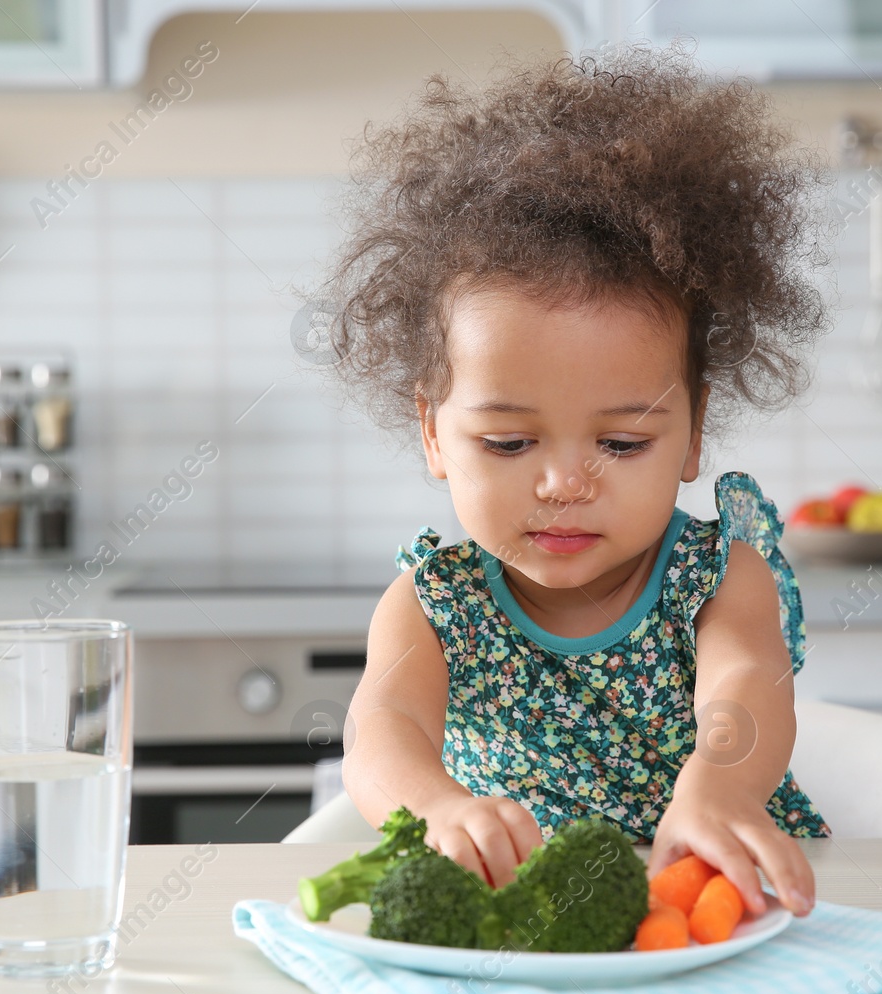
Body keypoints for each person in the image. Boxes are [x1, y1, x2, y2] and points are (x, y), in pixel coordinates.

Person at [326, 45, 830, 919]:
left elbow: (746, 684)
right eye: (511, 441)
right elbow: (383, 730)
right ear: (432, 431)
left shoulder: (712, 578)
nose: (565, 483)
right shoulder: (436, 602)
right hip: (535, 913)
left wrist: (718, 788)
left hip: (719, 897)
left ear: (693, 432)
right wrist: (439, 808)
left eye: (625, 442)